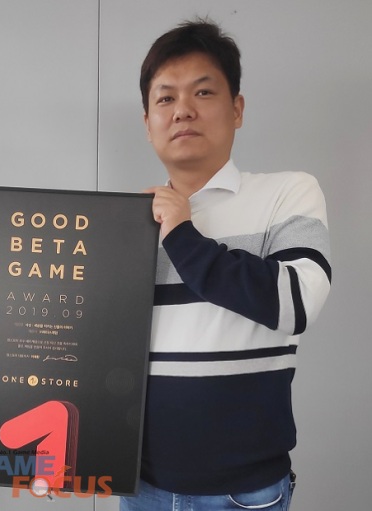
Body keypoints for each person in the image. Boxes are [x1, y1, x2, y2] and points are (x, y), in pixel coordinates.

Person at [121, 19, 332, 511]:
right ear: (148, 122)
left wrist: (182, 234)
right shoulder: (126, 224)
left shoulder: (288, 193)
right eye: (165, 98)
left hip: (243, 493)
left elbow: (296, 303)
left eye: (203, 92)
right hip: (141, 486)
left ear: (237, 109)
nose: (183, 110)